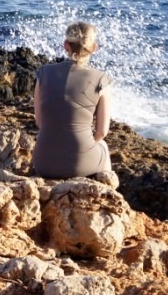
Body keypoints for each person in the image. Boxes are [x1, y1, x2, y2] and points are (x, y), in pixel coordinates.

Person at [32, 21, 112, 179]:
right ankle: (107, 192)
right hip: (81, 164)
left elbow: (40, 123)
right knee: (102, 145)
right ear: (94, 48)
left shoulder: (44, 74)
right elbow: (102, 132)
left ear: (66, 45)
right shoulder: (101, 79)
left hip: (43, 163)